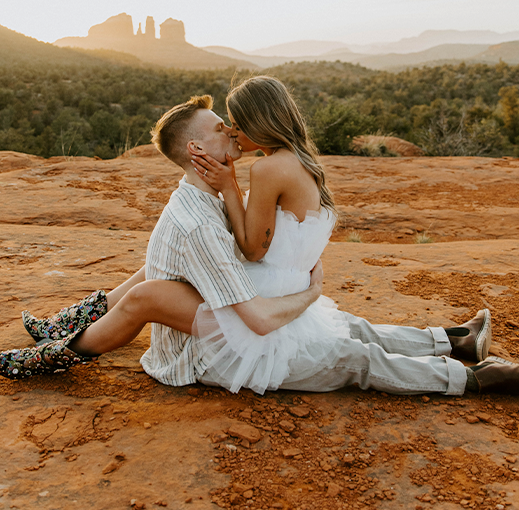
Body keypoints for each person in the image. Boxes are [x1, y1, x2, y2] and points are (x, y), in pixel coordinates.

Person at [2, 78, 519, 396]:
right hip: (237, 341)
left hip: (248, 314)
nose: (232, 132)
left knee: (350, 330)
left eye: (234, 125)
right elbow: (255, 309)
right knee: (356, 357)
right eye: (222, 129)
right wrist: (310, 290)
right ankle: (476, 379)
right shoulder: (205, 213)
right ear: (196, 152)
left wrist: (229, 190)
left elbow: (213, 256)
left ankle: (456, 341)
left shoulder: (220, 191)